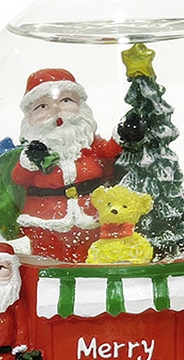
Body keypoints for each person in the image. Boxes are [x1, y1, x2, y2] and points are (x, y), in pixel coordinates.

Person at [11, 67, 122, 261]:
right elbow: (18, 177)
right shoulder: (32, 152)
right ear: (30, 117)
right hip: (46, 218)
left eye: (66, 101)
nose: (56, 110)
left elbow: (109, 154)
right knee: (49, 258)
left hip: (92, 214)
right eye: (42, 106)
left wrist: (123, 136)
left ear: (81, 107)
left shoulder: (89, 144)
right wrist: (31, 160)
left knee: (92, 255)